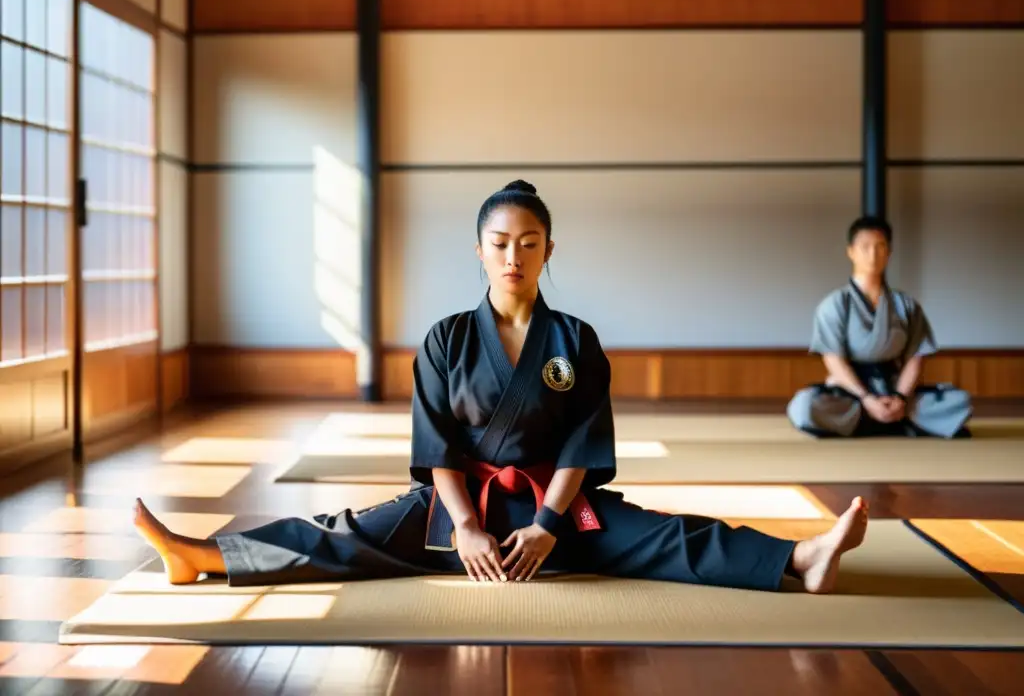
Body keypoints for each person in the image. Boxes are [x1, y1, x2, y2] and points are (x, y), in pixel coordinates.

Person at [133, 180, 868, 595]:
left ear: (549, 249)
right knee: (346, 534)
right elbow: (438, 448)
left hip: (554, 512)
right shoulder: (446, 338)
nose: (513, 255)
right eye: (499, 242)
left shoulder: (573, 339)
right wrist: (465, 525)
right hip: (463, 511)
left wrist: (547, 526)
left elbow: (584, 441)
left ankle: (800, 559)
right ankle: (203, 556)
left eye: (529, 242)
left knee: (662, 534)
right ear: (480, 249)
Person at [787, 216, 972, 439]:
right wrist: (866, 398)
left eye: (880, 247)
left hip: (894, 389)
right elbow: (833, 360)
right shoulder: (835, 304)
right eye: (865, 247)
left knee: (960, 401)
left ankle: (883, 417)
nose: (872, 255)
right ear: (851, 252)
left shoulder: (906, 305)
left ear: (889, 253)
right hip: (851, 393)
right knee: (804, 406)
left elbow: (916, 358)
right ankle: (892, 421)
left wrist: (900, 398)